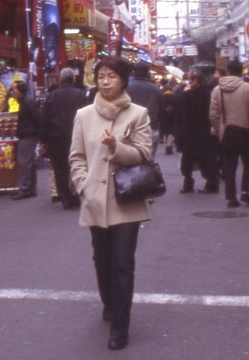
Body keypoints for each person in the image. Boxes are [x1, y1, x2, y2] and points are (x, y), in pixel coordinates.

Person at [69, 56, 152, 351]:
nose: (105, 82)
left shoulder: (138, 114)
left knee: (122, 264)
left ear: (123, 80)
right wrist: (83, 185)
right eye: (101, 76)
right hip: (94, 199)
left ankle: (120, 326)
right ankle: (109, 303)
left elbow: (144, 153)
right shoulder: (84, 114)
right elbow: (76, 157)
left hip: (126, 200)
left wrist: (117, 148)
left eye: (111, 76)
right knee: (101, 261)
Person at [209, 60, 249, 208]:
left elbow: (213, 115)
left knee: (229, 163)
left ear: (227, 71)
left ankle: (231, 197)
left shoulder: (217, 90)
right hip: (246, 130)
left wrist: (219, 129)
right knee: (248, 161)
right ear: (241, 72)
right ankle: (245, 191)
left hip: (227, 131)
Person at [40, 67, 87, 209]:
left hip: (56, 138)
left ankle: (66, 198)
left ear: (60, 79)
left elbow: (45, 119)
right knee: (78, 165)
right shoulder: (80, 95)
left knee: (60, 169)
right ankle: (78, 194)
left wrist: (43, 139)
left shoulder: (52, 96)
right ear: (73, 79)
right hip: (76, 137)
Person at [176, 70, 218, 193]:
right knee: (188, 159)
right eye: (190, 79)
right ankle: (188, 182)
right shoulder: (196, 92)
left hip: (201, 131)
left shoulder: (204, 94)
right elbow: (180, 110)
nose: (190, 82)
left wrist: (185, 94)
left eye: (193, 79)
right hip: (190, 132)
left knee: (204, 159)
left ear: (198, 80)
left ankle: (211, 183)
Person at [10, 80, 41, 200]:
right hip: (29, 134)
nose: (12, 92)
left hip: (29, 135)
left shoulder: (27, 102)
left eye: (14, 89)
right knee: (30, 163)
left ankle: (24, 189)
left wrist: (37, 133)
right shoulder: (24, 101)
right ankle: (31, 188)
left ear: (21, 90)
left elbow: (37, 117)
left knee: (24, 163)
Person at [126, 63, 162, 154]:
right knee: (149, 158)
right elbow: (162, 109)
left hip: (130, 128)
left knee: (132, 157)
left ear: (134, 73)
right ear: (147, 73)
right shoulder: (156, 89)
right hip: (151, 126)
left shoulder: (127, 88)